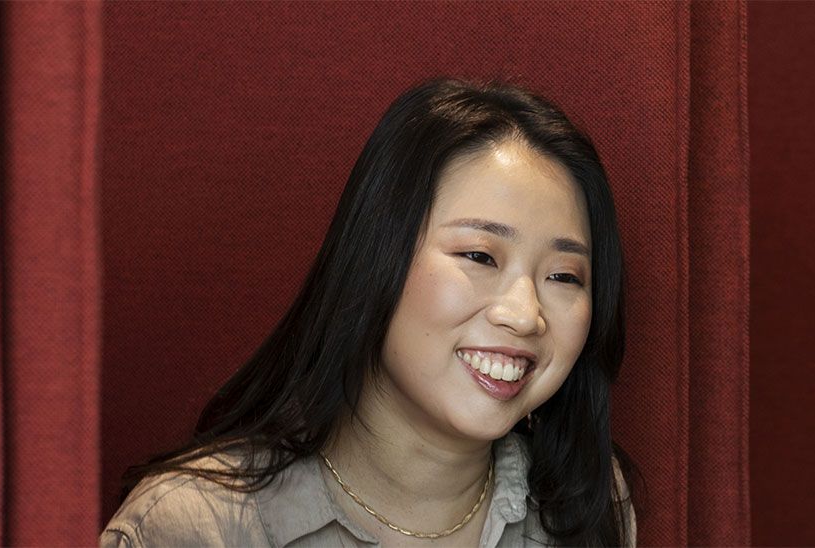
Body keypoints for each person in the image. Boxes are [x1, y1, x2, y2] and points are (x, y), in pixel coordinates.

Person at [100, 77, 639, 547]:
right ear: (376, 257)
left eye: (564, 277)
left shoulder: (587, 505)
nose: (525, 315)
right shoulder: (194, 525)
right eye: (479, 256)